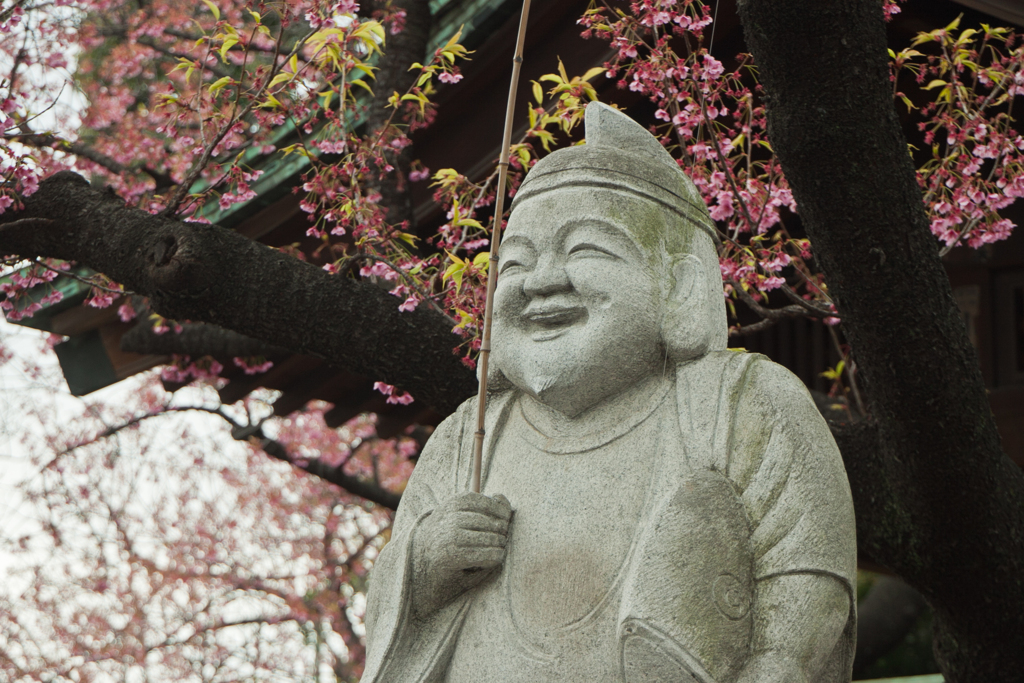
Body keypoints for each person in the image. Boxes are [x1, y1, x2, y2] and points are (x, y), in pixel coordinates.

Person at [362, 102, 857, 683]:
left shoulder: (737, 402)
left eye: (586, 250)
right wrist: (419, 568)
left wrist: (776, 667)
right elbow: (387, 609)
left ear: (678, 284)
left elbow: (808, 574)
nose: (542, 281)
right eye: (516, 262)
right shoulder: (468, 438)